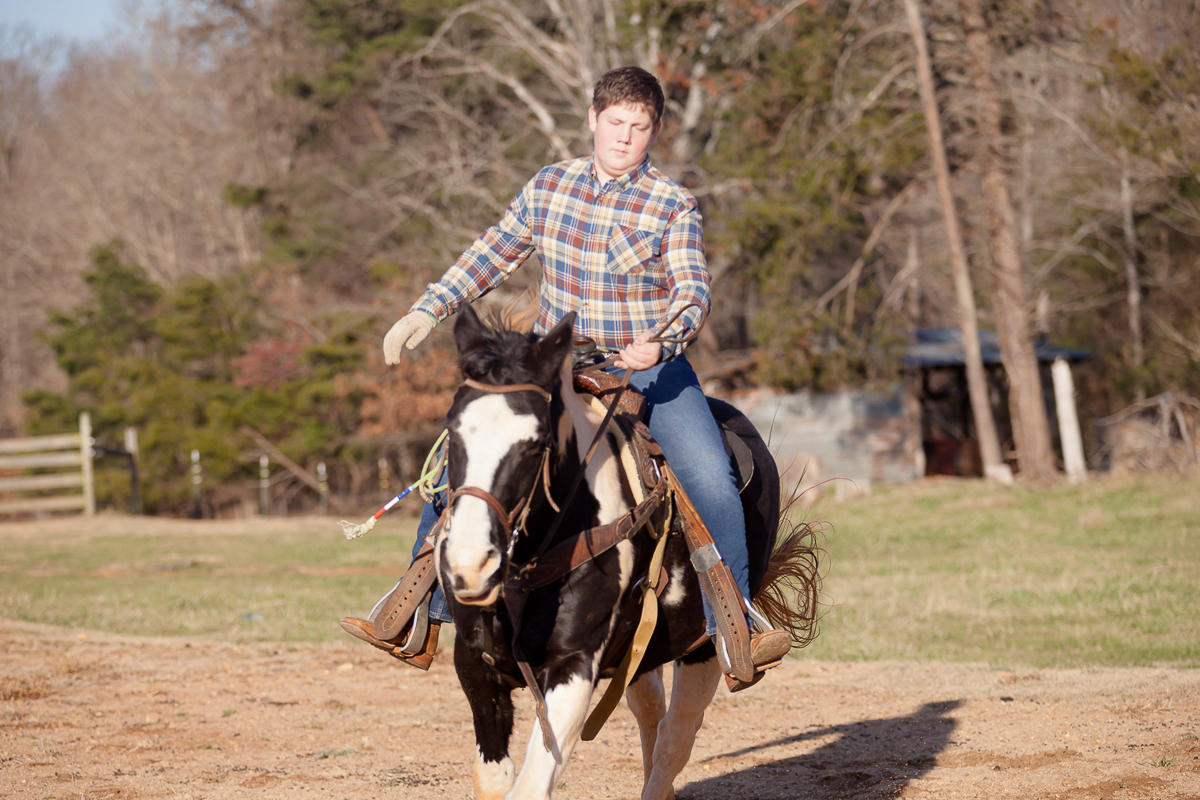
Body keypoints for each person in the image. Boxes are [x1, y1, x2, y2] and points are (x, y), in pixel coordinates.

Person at [340, 66, 789, 690]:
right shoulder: (549, 186)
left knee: (711, 475)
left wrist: (661, 340)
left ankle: (734, 625)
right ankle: (419, 612)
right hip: (557, 364)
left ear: (656, 129)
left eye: (639, 127)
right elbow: (496, 248)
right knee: (465, 456)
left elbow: (693, 292)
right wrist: (429, 308)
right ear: (593, 120)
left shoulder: (672, 203)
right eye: (615, 124)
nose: (625, 137)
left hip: (650, 368)